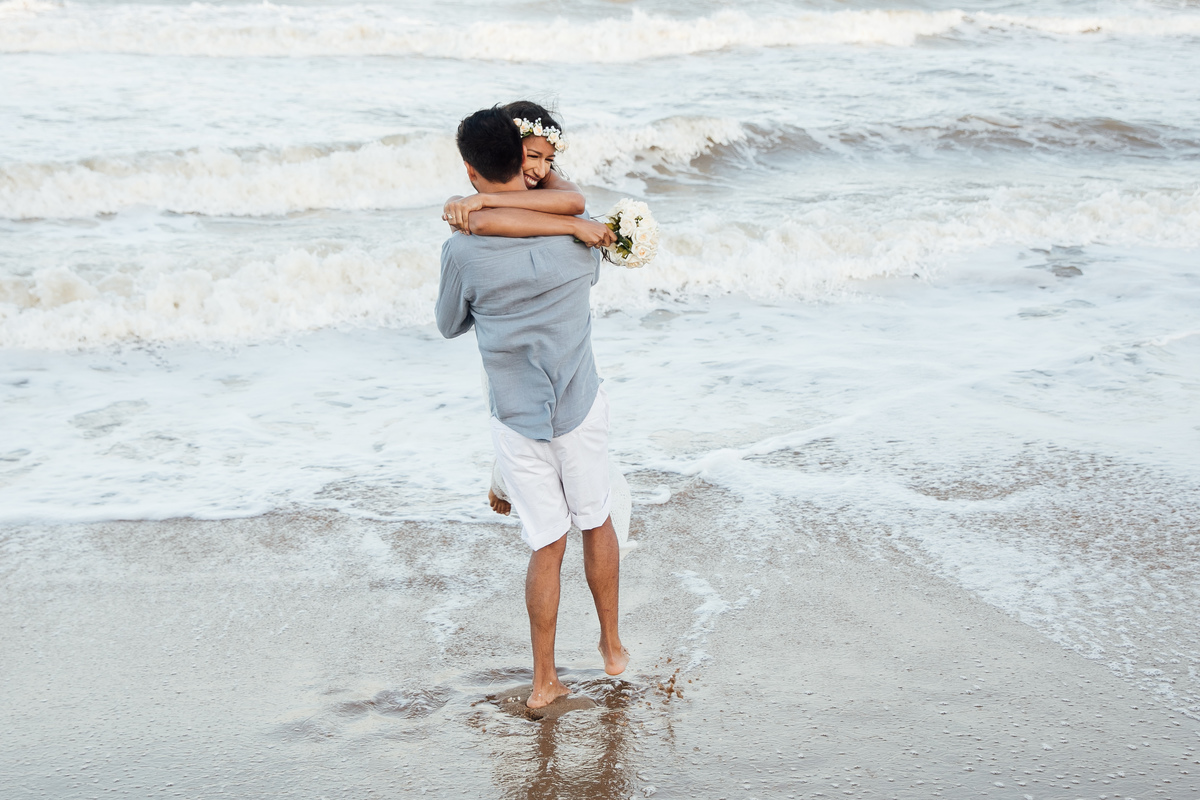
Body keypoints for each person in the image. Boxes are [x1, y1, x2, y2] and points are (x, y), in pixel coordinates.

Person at [435, 106, 628, 710]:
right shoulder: (581, 239)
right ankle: (611, 645)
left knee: (547, 543)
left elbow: (449, 324)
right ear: (531, 164)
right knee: (595, 517)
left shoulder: (463, 249)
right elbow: (574, 212)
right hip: (577, 403)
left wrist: (481, 221)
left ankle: (544, 680)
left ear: (472, 173)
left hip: (517, 417)